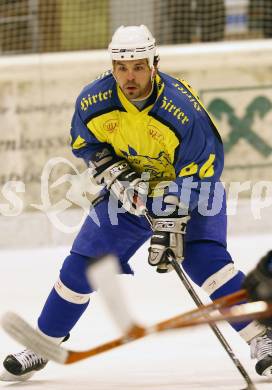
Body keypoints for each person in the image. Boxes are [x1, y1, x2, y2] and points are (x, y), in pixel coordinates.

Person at [1, 24, 272, 381]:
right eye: (121, 67)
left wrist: (170, 222)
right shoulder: (93, 100)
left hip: (190, 187)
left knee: (207, 263)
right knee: (81, 267)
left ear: (153, 64)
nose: (129, 77)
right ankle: (43, 343)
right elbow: (85, 143)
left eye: (138, 67)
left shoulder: (180, 109)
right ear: (112, 66)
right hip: (129, 194)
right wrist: (110, 167)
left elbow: (204, 170)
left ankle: (262, 338)